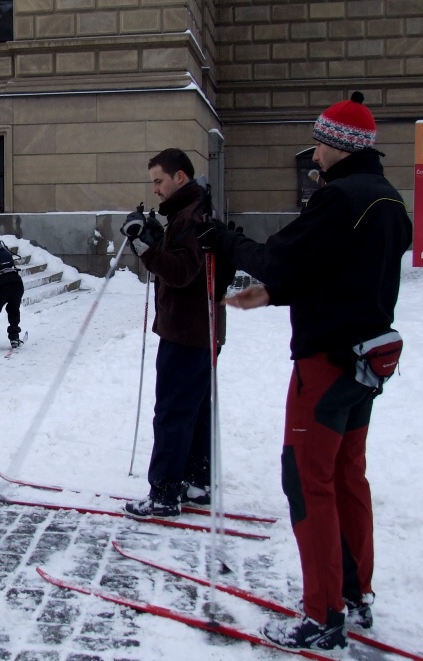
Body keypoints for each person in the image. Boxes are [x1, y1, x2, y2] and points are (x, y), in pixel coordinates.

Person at [201, 92, 412, 651]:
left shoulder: (340, 199)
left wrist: (225, 240)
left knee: (306, 481)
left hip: (326, 364)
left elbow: (282, 256)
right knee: (347, 476)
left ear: (339, 146)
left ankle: (323, 614)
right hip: (366, 362)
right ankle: (355, 594)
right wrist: (271, 297)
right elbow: (341, 271)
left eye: (319, 141)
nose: (313, 151)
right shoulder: (388, 200)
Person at [119, 148, 228, 518]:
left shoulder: (191, 216)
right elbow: (184, 263)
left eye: (159, 181)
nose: (156, 190)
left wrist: (146, 248)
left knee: (172, 411)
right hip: (199, 328)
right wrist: (152, 236)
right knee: (194, 409)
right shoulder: (192, 210)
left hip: (187, 330)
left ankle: (165, 491)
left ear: (179, 177)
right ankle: (197, 482)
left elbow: (181, 272)